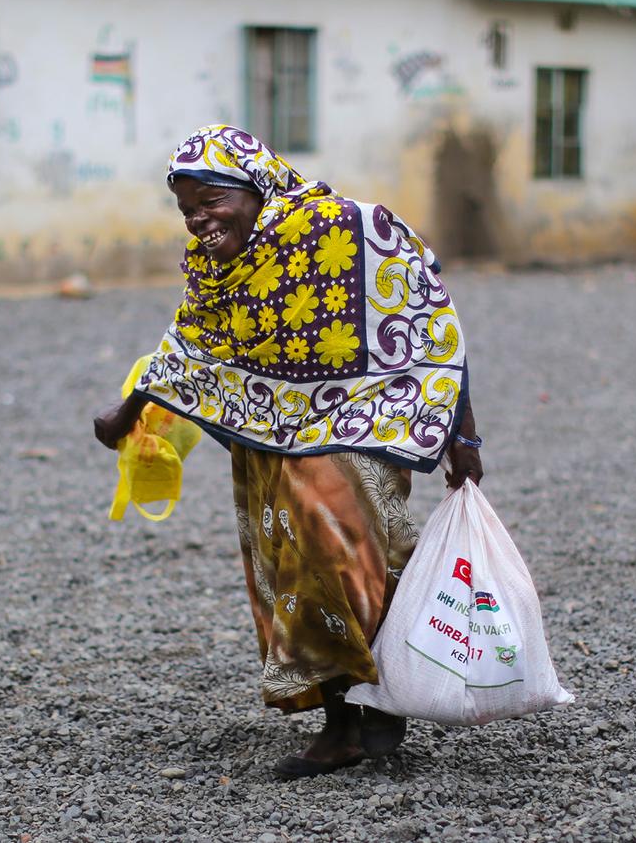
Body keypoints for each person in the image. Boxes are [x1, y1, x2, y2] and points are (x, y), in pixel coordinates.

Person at [94, 125, 483, 779]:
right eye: (186, 210)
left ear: (255, 186)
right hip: (271, 441)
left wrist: (463, 436)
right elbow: (189, 346)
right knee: (298, 572)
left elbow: (430, 322)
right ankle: (344, 722)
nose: (198, 221)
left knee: (352, 555)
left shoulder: (349, 228)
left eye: (210, 201)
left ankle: (380, 688)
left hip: (360, 426)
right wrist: (129, 411)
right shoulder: (216, 265)